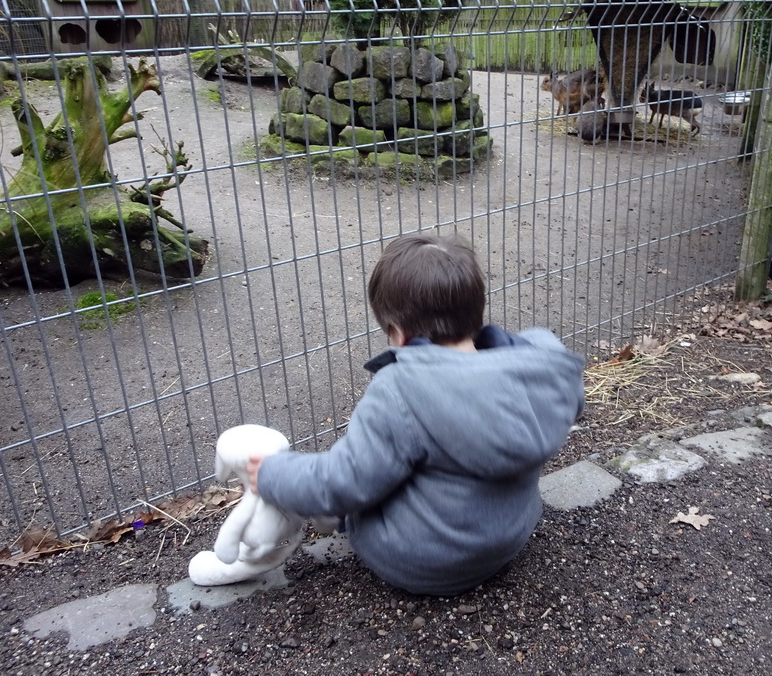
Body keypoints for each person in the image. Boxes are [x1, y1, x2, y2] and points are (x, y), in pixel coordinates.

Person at [248, 233, 585, 596]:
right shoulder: (538, 368)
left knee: (360, 477)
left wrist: (271, 473)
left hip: (420, 563)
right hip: (508, 537)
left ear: (397, 333)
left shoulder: (400, 390)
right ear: (474, 312)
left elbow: (344, 481)